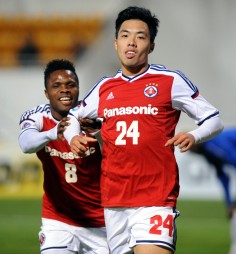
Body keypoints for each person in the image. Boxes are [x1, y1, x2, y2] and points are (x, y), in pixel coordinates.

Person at [63, 6, 224, 254]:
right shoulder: (104, 87)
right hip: (114, 199)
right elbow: (72, 117)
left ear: (151, 46)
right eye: (126, 35)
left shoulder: (170, 81)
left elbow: (214, 120)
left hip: (155, 199)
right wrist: (73, 136)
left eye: (141, 36)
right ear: (115, 43)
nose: (132, 42)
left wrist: (194, 135)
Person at [18, 59, 109, 254]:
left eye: (70, 85)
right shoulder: (37, 117)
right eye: (56, 85)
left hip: (102, 221)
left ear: (78, 88)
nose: (64, 90)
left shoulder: (95, 116)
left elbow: (120, 155)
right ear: (46, 93)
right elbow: (25, 144)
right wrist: (54, 133)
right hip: (58, 220)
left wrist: (99, 133)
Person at [189, 128, 236, 254]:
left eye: (189, 147)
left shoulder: (215, 145)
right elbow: (222, 176)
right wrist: (229, 203)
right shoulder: (207, 152)